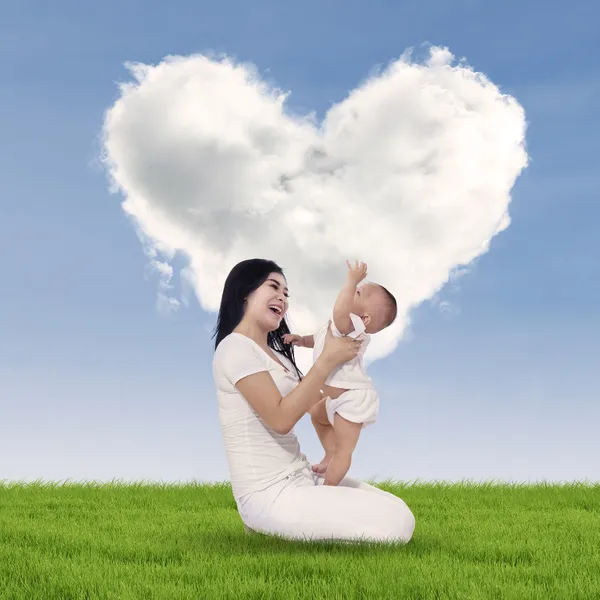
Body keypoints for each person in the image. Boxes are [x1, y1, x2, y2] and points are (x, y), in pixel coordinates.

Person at [212, 258, 416, 543]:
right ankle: (263, 522)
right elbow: (281, 420)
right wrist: (327, 359)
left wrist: (348, 401)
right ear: (245, 291)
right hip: (269, 493)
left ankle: (285, 522)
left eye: (286, 293)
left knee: (399, 510)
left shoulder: (278, 355)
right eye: (274, 287)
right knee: (397, 524)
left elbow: (311, 400)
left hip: (301, 475)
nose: (282, 298)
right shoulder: (235, 348)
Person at [283, 260, 397, 486]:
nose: (351, 292)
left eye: (357, 293)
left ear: (365, 319)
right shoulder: (337, 327)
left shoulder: (354, 327)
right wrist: (301, 340)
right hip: (335, 401)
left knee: (345, 450)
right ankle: (329, 456)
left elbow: (339, 311)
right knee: (317, 415)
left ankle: (329, 488)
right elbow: (317, 339)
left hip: (352, 400)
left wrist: (351, 280)